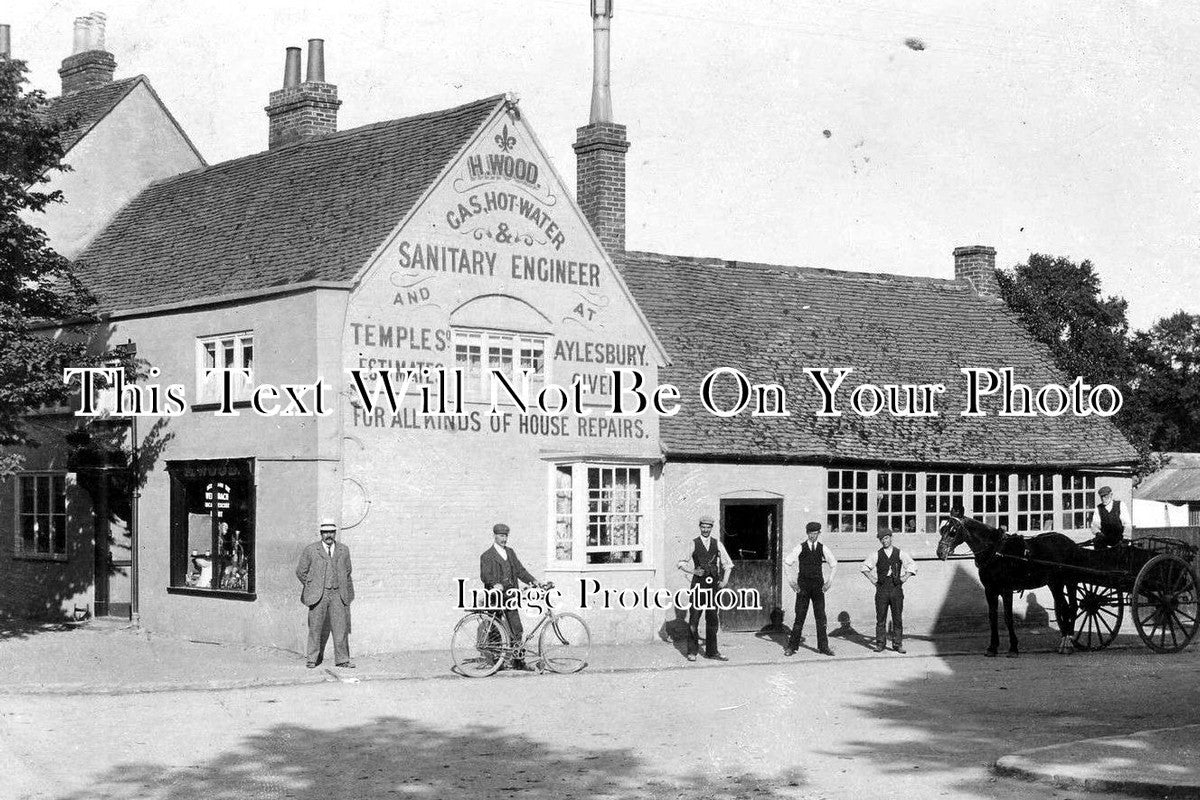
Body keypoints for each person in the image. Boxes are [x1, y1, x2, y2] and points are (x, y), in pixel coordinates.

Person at [296, 518, 355, 668]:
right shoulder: (311, 550)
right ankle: (312, 659)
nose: (328, 535)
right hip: (318, 595)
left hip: (337, 594)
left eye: (331, 532)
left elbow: (348, 571)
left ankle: (342, 660)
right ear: (320, 533)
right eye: (325, 532)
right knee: (315, 628)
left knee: (340, 628)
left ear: (335, 533)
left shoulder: (343, 550)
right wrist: (312, 586)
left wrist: (343, 589)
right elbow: (301, 571)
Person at [479, 523, 539, 669]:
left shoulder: (510, 553)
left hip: (511, 596)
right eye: (501, 536)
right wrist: (494, 584)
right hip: (496, 597)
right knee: (495, 629)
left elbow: (520, 571)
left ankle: (518, 661)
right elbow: (485, 575)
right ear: (494, 536)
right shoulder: (487, 555)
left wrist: (533, 580)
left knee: (516, 628)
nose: (504, 539)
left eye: (506, 536)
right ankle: (496, 662)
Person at [676, 515, 734, 662]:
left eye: (708, 527)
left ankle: (712, 651)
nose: (706, 529)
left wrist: (724, 581)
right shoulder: (693, 543)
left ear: (711, 528)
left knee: (713, 619)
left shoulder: (717, 544)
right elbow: (681, 563)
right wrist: (693, 571)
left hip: (713, 587)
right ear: (700, 527)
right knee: (694, 618)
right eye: (703, 527)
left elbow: (728, 564)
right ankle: (692, 652)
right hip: (698, 586)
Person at [784, 522, 837, 657]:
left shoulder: (822, 548)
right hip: (803, 587)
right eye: (811, 533)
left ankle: (823, 647)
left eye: (816, 533)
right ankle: (792, 647)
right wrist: (791, 582)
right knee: (799, 617)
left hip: (818, 587)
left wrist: (829, 582)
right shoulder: (800, 547)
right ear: (807, 533)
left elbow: (834, 564)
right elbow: (787, 562)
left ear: (819, 534)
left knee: (821, 617)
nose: (813, 536)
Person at [860, 528, 917, 653]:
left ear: (891, 538)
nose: (884, 541)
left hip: (896, 588)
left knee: (897, 618)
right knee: (881, 618)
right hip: (882, 589)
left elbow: (912, 565)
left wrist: (904, 578)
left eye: (886, 538)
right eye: (882, 539)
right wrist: (873, 580)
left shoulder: (899, 553)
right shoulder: (877, 554)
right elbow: (864, 567)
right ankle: (880, 643)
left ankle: (898, 644)